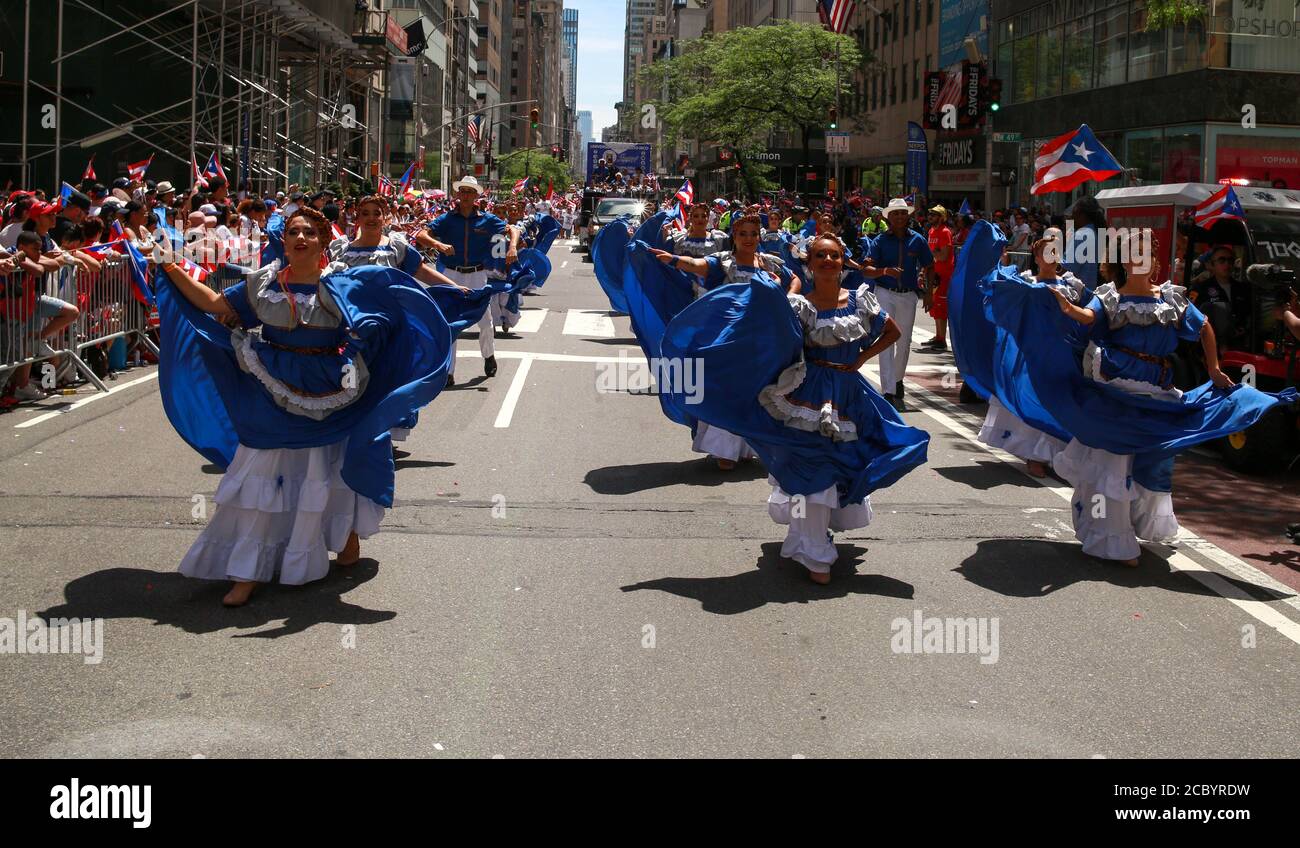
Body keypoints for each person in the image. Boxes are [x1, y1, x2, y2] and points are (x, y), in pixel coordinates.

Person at [153, 206, 452, 606]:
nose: (300, 237)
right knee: (260, 468)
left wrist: (372, 339)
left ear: (323, 242)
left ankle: (344, 537)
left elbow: (390, 313)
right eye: (294, 231)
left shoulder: (343, 284)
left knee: (328, 465)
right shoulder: (264, 283)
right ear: (285, 240)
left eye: (310, 232)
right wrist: (171, 267)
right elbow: (213, 305)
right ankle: (248, 570)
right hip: (272, 382)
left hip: (330, 387)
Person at [651, 233, 928, 582]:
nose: (829, 262)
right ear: (809, 265)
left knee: (846, 464)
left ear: (844, 263)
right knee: (814, 467)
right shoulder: (798, 306)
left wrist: (860, 359)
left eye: (835, 256)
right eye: (821, 257)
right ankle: (814, 551)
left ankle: (813, 532)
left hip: (849, 396)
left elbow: (892, 331)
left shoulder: (861, 300)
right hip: (806, 395)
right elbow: (767, 339)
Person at [650, 214, 795, 469]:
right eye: (743, 234)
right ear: (734, 237)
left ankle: (750, 446)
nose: (748, 239)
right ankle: (724, 449)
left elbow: (794, 279)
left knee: (756, 392)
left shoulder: (769, 263)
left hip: (760, 339)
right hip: (729, 338)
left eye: (753, 234)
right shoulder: (724, 262)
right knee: (727, 390)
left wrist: (788, 298)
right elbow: (696, 264)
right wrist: (672, 259)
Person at [422, 176, 518, 383]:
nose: (465, 195)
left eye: (469, 191)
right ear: (458, 194)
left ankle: (488, 355)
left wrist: (512, 247)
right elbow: (422, 234)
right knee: (450, 322)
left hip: (477, 274)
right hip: (451, 274)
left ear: (476, 195)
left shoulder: (487, 219)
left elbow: (513, 229)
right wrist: (437, 245)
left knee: (485, 320)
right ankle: (448, 371)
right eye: (462, 191)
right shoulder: (446, 219)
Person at [861, 197, 935, 411]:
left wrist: (929, 293)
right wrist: (884, 271)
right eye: (896, 213)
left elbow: (930, 266)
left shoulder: (918, 240)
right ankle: (888, 390)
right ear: (889, 218)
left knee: (904, 340)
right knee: (887, 339)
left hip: (908, 295)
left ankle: (898, 379)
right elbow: (867, 269)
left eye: (903, 212)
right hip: (885, 293)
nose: (900, 217)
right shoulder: (880, 241)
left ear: (908, 215)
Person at [1190, 244, 1250, 348]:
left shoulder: (1243, 289)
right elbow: (1192, 315)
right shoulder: (1200, 288)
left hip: (1239, 345)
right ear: (1212, 264)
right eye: (1222, 260)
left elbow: (1249, 316)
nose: (1227, 264)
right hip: (1210, 344)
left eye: (1230, 260)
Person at [920, 205, 954, 351]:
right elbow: (934, 255)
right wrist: (923, 271)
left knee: (940, 306)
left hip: (944, 275)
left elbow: (944, 256)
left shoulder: (945, 232)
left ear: (941, 217)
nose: (930, 217)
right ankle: (938, 336)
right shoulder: (932, 231)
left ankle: (941, 339)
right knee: (934, 307)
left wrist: (931, 252)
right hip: (933, 273)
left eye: (934, 215)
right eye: (930, 214)